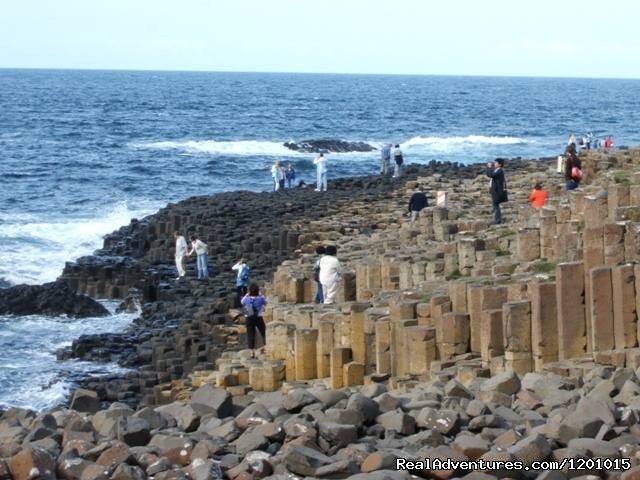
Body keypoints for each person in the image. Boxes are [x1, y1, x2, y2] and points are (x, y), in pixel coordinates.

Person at [240, 283, 267, 352]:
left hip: (249, 318)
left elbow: (242, 302)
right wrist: (260, 294)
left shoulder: (247, 299)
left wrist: (247, 294)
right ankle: (266, 346)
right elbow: (265, 302)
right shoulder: (260, 298)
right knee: (263, 332)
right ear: (257, 291)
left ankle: (252, 351)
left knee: (250, 335)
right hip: (258, 318)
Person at [485, 158, 507, 225]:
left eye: (496, 163)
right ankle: (497, 219)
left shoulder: (499, 170)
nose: (494, 164)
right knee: (495, 206)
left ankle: (497, 221)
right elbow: (492, 173)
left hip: (497, 191)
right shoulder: (497, 170)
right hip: (495, 190)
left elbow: (491, 175)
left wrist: (489, 167)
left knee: (496, 206)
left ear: (499, 164)